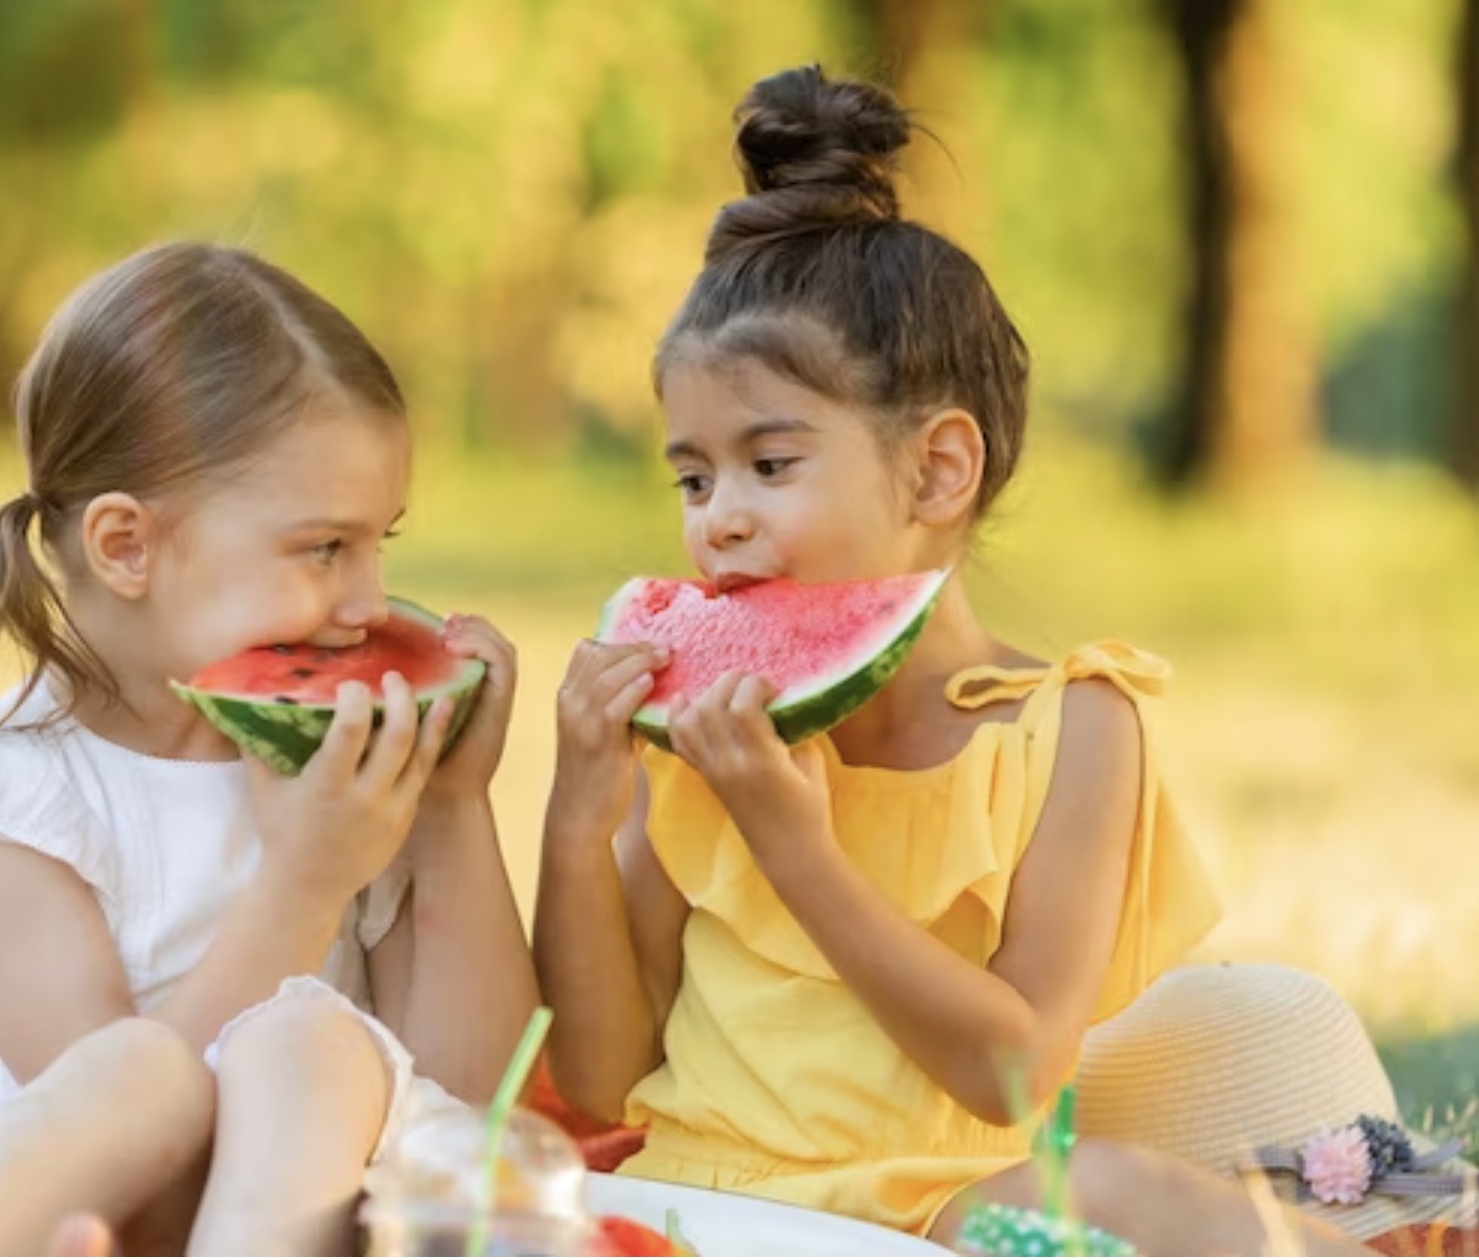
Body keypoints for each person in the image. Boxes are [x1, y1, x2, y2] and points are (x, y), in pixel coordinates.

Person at [533, 65, 1366, 1256]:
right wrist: (577, 811)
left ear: (935, 471)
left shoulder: (1076, 725)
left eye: (769, 465)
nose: (714, 516)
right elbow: (606, 1078)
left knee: (1125, 1198)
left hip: (946, 1214)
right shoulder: (705, 733)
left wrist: (792, 842)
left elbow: (1012, 1077)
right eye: (691, 474)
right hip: (698, 1203)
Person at [0, 240, 537, 1256]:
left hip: (291, 1218)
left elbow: (466, 1089)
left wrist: (453, 810)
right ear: (125, 546)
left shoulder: (339, 765)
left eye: (383, 545)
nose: (367, 604)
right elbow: (117, 1119)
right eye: (323, 548)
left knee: (310, 1043)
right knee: (147, 1071)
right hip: (48, 1227)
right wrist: (305, 880)